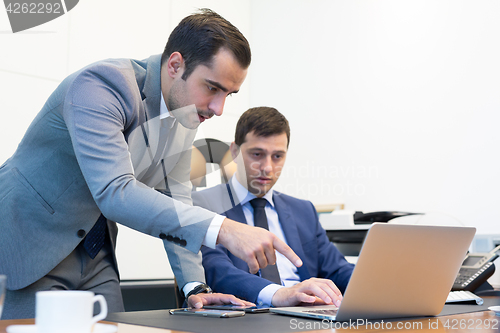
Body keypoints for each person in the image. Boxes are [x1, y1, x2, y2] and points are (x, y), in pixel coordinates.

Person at [0, 10, 302, 319]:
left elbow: (177, 198)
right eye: (212, 88)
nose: (219, 109)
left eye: (229, 94)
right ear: (175, 65)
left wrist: (195, 286)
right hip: (31, 239)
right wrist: (224, 229)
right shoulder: (101, 85)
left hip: (95, 250)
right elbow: (115, 192)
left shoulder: (185, 112)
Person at [192, 107, 354, 307]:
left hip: (309, 314)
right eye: (257, 154)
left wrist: (380, 283)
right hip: (246, 316)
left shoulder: (303, 210)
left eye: (277, 156)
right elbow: (218, 272)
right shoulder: (201, 204)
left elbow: (337, 270)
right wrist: (282, 294)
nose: (267, 167)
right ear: (234, 151)